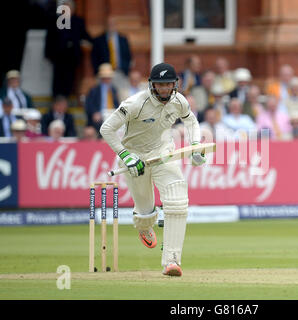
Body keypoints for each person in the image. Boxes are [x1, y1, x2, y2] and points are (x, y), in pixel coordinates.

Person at [100, 62, 205, 277]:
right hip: (134, 157)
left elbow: (191, 121)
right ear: (152, 85)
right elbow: (107, 129)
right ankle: (144, 224)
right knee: (146, 209)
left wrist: (195, 145)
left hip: (162, 153)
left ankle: (172, 261)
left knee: (177, 199)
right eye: (160, 85)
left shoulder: (179, 101)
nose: (165, 89)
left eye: (168, 85)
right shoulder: (134, 103)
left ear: (175, 84)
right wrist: (125, 155)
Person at [44, 0, 92, 97]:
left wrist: (83, 42)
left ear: (73, 10)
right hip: (58, 57)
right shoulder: (55, 21)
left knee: (69, 80)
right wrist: (48, 55)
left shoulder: (78, 22)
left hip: (72, 57)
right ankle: (56, 100)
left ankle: (66, 101)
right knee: (57, 80)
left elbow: (87, 38)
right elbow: (49, 40)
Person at [91, 16, 132, 89]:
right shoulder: (98, 40)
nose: (111, 26)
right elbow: (94, 58)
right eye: (109, 24)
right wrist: (98, 72)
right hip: (104, 75)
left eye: (113, 24)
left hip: (120, 73)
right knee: (104, 97)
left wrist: (126, 71)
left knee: (122, 97)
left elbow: (128, 56)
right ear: (105, 25)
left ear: (116, 25)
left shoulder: (123, 39)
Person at [85, 63, 120, 131]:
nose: (106, 80)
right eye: (104, 78)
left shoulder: (114, 90)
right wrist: (94, 113)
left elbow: (117, 105)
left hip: (111, 116)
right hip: (99, 117)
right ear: (101, 78)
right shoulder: (94, 90)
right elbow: (89, 105)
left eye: (108, 78)